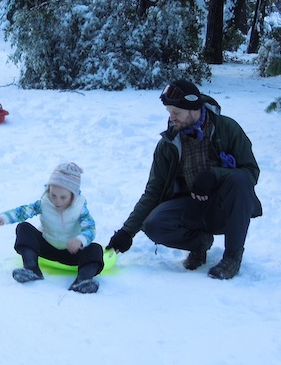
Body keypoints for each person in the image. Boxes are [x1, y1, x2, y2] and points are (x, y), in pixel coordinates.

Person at [107, 79, 262, 280]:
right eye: (169, 112)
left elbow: (251, 172)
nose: (172, 118)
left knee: (240, 181)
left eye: (176, 113)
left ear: (193, 109)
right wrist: (127, 232)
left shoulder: (227, 129)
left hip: (226, 209)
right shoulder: (168, 145)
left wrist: (215, 175)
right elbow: (153, 191)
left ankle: (232, 257)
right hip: (191, 207)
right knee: (153, 223)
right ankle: (199, 244)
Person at [0, 163, 104, 294]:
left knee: (95, 249)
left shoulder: (80, 209)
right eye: (53, 195)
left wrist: (80, 240)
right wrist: (4, 218)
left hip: (72, 251)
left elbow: (90, 228)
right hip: (47, 247)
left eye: (63, 197)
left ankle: (83, 280)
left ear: (73, 195)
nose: (57, 201)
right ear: (48, 190)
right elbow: (23, 211)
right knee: (24, 228)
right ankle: (31, 268)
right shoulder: (44, 203)